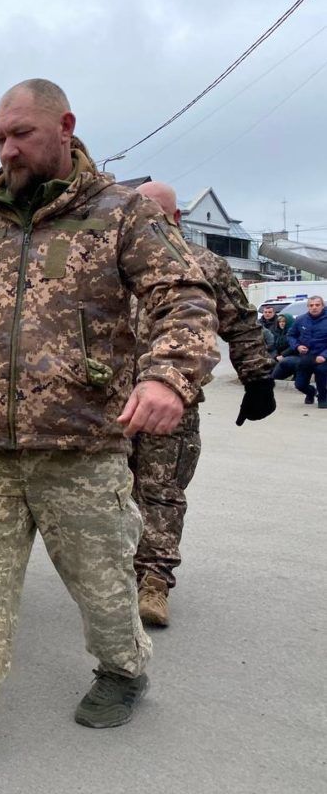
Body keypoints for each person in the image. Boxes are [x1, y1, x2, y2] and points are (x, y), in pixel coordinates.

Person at [0, 79, 219, 761]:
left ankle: (123, 669)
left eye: (20, 135)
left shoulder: (120, 214)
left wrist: (167, 377)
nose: (7, 150)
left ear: (64, 126)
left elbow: (183, 295)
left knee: (99, 584)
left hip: (82, 443)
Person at [130, 182, 276, 627]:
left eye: (155, 215)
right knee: (104, 491)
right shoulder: (113, 260)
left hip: (172, 399)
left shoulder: (205, 263)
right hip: (107, 402)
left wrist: (257, 379)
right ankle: (112, 574)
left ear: (175, 218)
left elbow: (241, 322)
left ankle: (153, 580)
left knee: (160, 490)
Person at [287, 295, 327, 407]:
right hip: (307, 356)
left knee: (321, 373)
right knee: (299, 384)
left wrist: (324, 355)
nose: (314, 307)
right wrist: (297, 346)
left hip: (323, 356)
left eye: (317, 305)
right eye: (311, 305)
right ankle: (311, 392)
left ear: (322, 306)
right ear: (308, 307)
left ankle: (323, 398)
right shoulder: (300, 320)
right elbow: (291, 335)